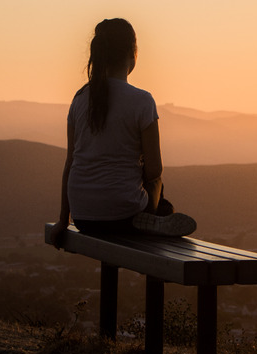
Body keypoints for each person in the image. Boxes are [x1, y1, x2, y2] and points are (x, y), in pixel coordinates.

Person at [50, 18, 196, 248]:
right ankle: (158, 216)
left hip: (83, 217)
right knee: (157, 183)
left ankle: (157, 215)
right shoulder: (142, 101)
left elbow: (70, 163)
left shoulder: (79, 99)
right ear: (132, 53)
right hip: (124, 216)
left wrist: (62, 220)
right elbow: (154, 170)